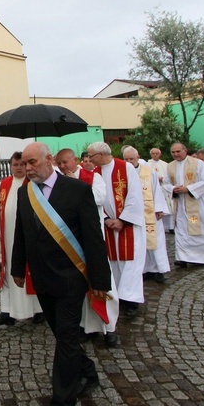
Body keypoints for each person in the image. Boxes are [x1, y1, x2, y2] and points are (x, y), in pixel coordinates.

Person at [11, 142, 111, 405]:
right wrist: (17, 267)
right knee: (61, 334)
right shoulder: (26, 194)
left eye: (33, 162)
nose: (28, 168)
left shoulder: (77, 190)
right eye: (25, 163)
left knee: (66, 336)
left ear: (49, 159)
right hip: (42, 278)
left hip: (70, 278)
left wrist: (100, 279)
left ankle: (63, 397)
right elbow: (21, 233)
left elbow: (93, 237)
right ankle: (88, 372)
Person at [55, 148, 120, 347]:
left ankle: (110, 327)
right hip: (74, 241)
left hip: (93, 240)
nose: (63, 167)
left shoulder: (94, 177)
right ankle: (87, 326)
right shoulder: (59, 183)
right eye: (60, 164)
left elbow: (99, 198)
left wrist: (73, 184)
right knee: (79, 286)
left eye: (66, 162)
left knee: (103, 281)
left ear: (75, 160)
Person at [88, 142, 146, 319]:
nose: (89, 159)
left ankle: (131, 301)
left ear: (102, 154)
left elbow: (135, 196)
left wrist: (122, 220)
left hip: (128, 225)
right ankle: (118, 297)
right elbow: (94, 198)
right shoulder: (95, 173)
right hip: (108, 226)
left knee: (131, 264)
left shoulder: (126, 168)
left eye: (92, 156)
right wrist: (106, 219)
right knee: (113, 264)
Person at [0, 152, 43, 326]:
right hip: (8, 237)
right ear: (10, 166)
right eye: (15, 165)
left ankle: (38, 310)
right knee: (9, 272)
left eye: (21, 164)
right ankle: (8, 312)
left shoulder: (33, 184)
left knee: (30, 271)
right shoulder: (4, 184)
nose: (19, 168)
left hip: (28, 239)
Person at [162, 143, 204, 266]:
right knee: (182, 230)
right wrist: (173, 188)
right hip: (181, 204)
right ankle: (183, 257)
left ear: (185, 151)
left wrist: (188, 189)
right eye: (173, 152)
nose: (176, 154)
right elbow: (165, 183)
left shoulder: (197, 163)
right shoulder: (170, 166)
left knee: (203, 229)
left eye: (178, 151)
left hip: (199, 203)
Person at [123, 147, 170, 284]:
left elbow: (156, 189)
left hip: (150, 212)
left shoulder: (148, 171)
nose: (129, 161)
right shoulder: (123, 172)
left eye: (131, 159)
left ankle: (158, 270)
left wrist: (159, 208)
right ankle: (142, 270)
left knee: (156, 242)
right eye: (126, 159)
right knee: (138, 243)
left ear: (138, 157)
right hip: (133, 214)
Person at [148, 148, 174, 234]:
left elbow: (169, 176)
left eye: (156, 153)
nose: (155, 155)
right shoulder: (148, 164)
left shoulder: (165, 164)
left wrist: (163, 179)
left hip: (165, 188)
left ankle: (171, 226)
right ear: (151, 155)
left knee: (169, 207)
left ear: (160, 154)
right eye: (153, 153)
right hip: (155, 188)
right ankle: (162, 226)